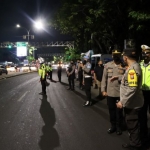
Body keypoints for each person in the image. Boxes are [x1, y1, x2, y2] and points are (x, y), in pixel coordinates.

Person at [116, 48, 144, 150]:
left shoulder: (132, 70)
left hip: (132, 104)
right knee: (133, 125)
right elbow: (128, 81)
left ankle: (135, 145)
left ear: (125, 57)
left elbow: (132, 88)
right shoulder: (135, 67)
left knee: (132, 126)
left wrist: (122, 102)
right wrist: (118, 77)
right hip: (134, 102)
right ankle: (134, 143)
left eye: (123, 57)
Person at [101, 49, 125, 135]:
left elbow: (126, 78)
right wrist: (103, 90)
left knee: (119, 111)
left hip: (119, 92)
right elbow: (104, 78)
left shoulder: (124, 66)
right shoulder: (107, 65)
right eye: (114, 55)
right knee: (111, 110)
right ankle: (113, 126)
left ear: (120, 56)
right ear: (112, 56)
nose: (115, 57)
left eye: (117, 55)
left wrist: (118, 77)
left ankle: (119, 127)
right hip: (110, 93)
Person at [140, 45, 150, 147]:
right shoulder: (140, 65)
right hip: (142, 92)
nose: (145, 55)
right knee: (142, 116)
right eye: (144, 53)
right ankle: (144, 138)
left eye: (147, 53)